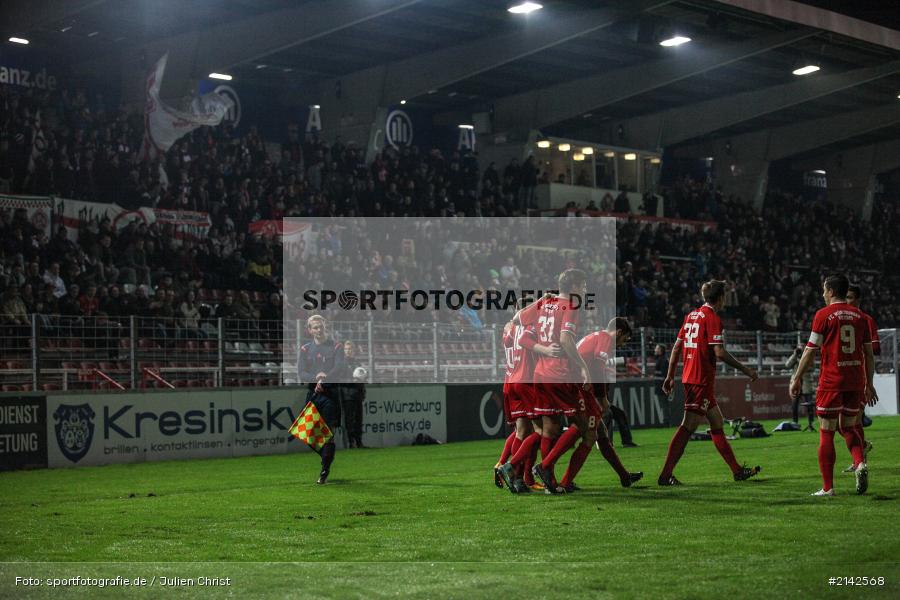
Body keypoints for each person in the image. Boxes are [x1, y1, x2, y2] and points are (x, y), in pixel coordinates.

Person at [499, 270, 593, 494]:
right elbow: (565, 339)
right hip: (559, 373)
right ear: (575, 286)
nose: (585, 289)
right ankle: (544, 467)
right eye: (584, 285)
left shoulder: (546, 304)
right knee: (580, 425)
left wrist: (540, 302)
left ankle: (515, 467)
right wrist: (582, 365)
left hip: (538, 374)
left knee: (546, 429)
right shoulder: (570, 306)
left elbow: (516, 319)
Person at [659, 279, 761, 486]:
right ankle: (665, 474)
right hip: (700, 379)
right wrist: (746, 369)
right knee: (687, 427)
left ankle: (737, 471)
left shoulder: (691, 316)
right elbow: (719, 352)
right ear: (721, 298)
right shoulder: (711, 317)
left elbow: (677, 347)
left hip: (692, 377)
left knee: (717, 422)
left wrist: (670, 376)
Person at [790, 275, 876, 496]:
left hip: (832, 380)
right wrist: (869, 384)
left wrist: (796, 377)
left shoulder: (823, 315)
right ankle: (860, 462)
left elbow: (809, 350)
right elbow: (868, 354)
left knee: (826, 432)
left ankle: (828, 487)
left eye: (823, 290)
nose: (822, 294)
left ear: (829, 290)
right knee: (849, 427)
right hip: (855, 380)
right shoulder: (860, 316)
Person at [494, 308, 562, 494]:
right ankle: (515, 470)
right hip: (526, 381)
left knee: (521, 431)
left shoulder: (509, 329)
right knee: (541, 431)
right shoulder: (529, 328)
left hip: (510, 381)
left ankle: (514, 475)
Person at [574, 317, 643, 488]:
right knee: (583, 434)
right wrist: (602, 398)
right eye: (624, 339)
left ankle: (624, 477)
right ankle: (551, 471)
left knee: (601, 434)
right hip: (578, 388)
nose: (623, 344)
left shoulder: (596, 337)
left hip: (576, 385)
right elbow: (597, 369)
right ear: (618, 332)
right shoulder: (605, 339)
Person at [297, 315, 345, 484]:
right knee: (307, 433)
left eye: (321, 327)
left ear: (326, 327)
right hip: (314, 394)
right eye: (315, 327)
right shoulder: (305, 349)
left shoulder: (337, 346)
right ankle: (326, 456)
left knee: (329, 434)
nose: (319, 330)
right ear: (310, 330)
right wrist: (315, 378)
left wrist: (324, 380)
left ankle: (324, 470)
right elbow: (301, 372)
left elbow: (339, 367)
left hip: (330, 394)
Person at [842, 283, 878, 472]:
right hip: (845, 378)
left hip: (859, 378)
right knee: (847, 422)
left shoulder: (866, 320)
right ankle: (860, 454)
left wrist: (868, 384)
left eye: (850, 297)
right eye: (845, 297)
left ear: (857, 299)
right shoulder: (841, 319)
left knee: (851, 421)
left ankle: (860, 459)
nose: (847, 301)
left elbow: (874, 350)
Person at [339, 340, 366, 449]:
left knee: (359, 420)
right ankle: (351, 443)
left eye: (350, 349)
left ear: (354, 350)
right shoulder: (341, 363)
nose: (348, 351)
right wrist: (352, 380)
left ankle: (359, 442)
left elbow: (362, 379)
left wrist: (363, 391)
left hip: (358, 395)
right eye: (346, 349)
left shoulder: (357, 364)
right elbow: (340, 379)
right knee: (349, 420)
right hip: (348, 396)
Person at [785, 346, 816, 431]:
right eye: (799, 348)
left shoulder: (809, 356)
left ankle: (811, 423)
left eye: (802, 348)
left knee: (809, 405)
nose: (800, 350)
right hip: (795, 383)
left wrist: (803, 364)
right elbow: (787, 365)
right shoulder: (795, 357)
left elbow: (813, 368)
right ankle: (795, 423)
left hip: (806, 383)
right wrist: (795, 355)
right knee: (794, 405)